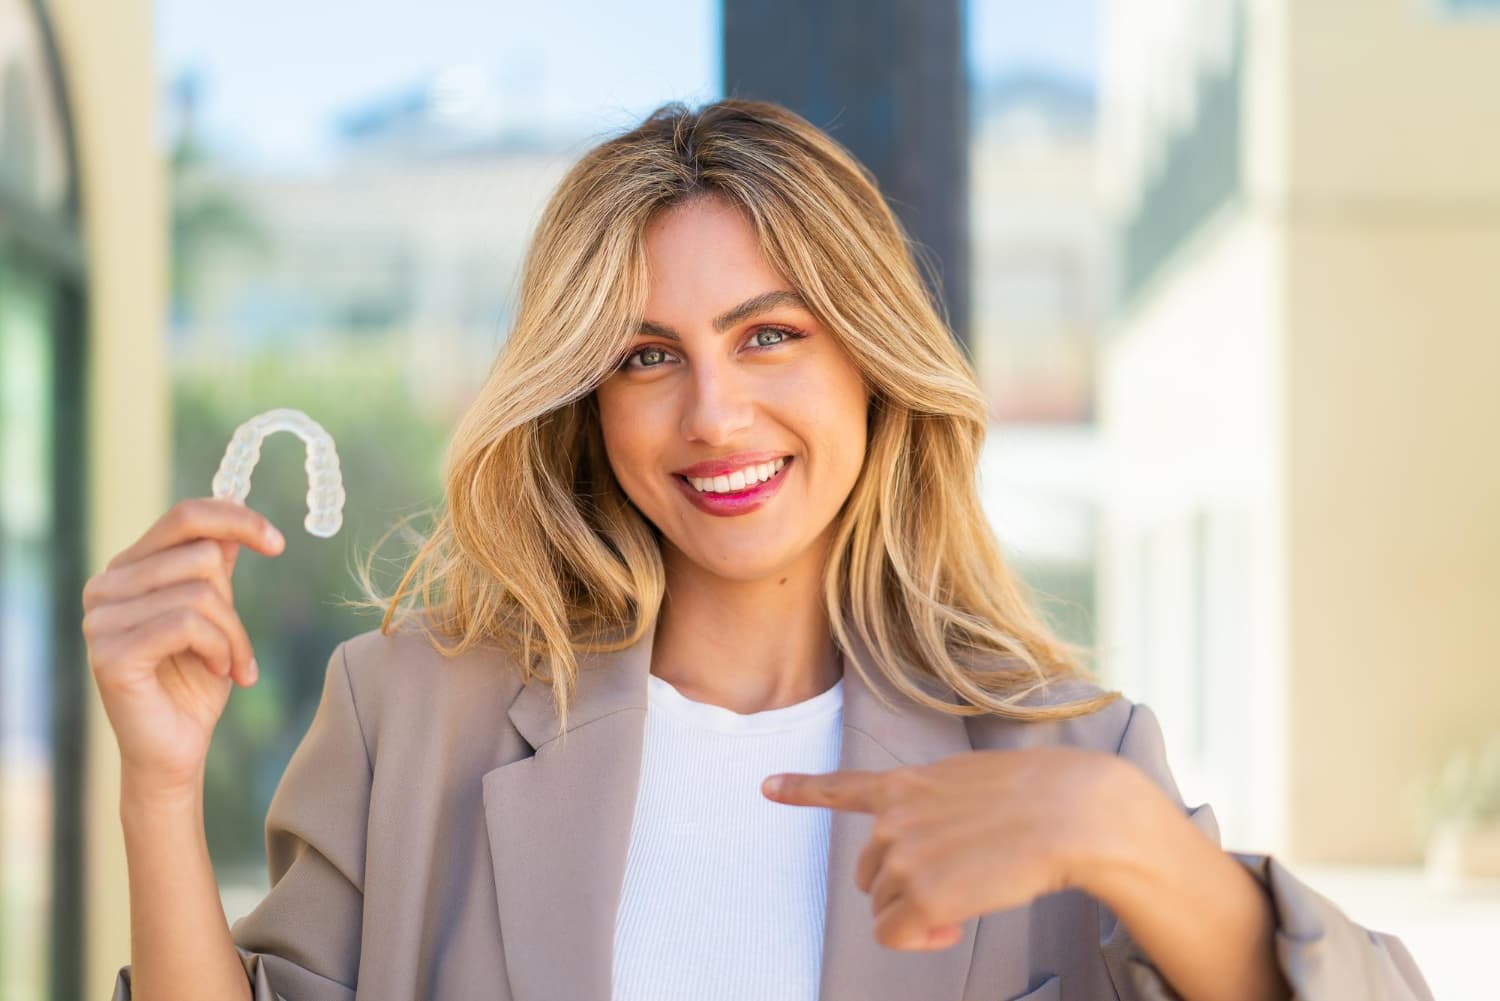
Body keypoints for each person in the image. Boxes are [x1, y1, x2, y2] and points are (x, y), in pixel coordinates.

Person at [87, 98, 1435, 1001]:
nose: (714, 413)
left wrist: (1131, 840)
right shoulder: (408, 716)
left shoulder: (1075, 763)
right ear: (586, 400)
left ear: (869, 360)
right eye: (645, 355)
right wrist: (158, 786)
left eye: (770, 334)